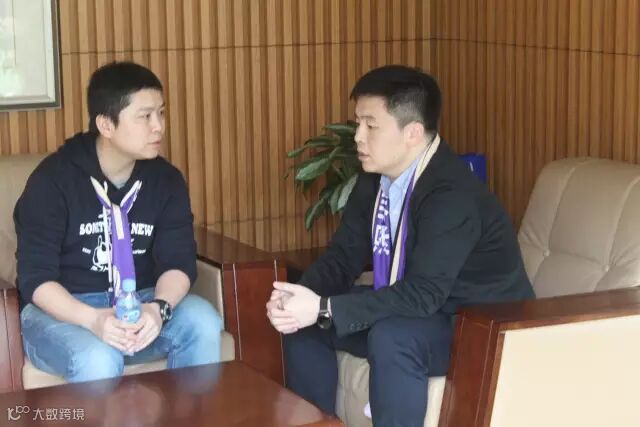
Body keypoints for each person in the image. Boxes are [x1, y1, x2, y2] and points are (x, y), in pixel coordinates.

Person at [266, 65, 535, 426]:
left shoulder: (451, 194)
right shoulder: (375, 177)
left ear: (412, 133)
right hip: (420, 308)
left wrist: (325, 307)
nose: (358, 137)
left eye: (371, 126)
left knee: (393, 337)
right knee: (304, 323)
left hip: (479, 324)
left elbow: (423, 294)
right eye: (357, 123)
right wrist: (300, 298)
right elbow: (343, 257)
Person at [14, 61, 222, 383]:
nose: (158, 127)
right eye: (145, 116)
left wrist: (158, 308)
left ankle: (193, 410)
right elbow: (35, 278)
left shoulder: (166, 180)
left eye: (161, 113)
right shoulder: (52, 181)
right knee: (98, 357)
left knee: (203, 321)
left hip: (141, 301)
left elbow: (178, 261)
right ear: (106, 125)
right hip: (65, 312)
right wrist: (93, 320)